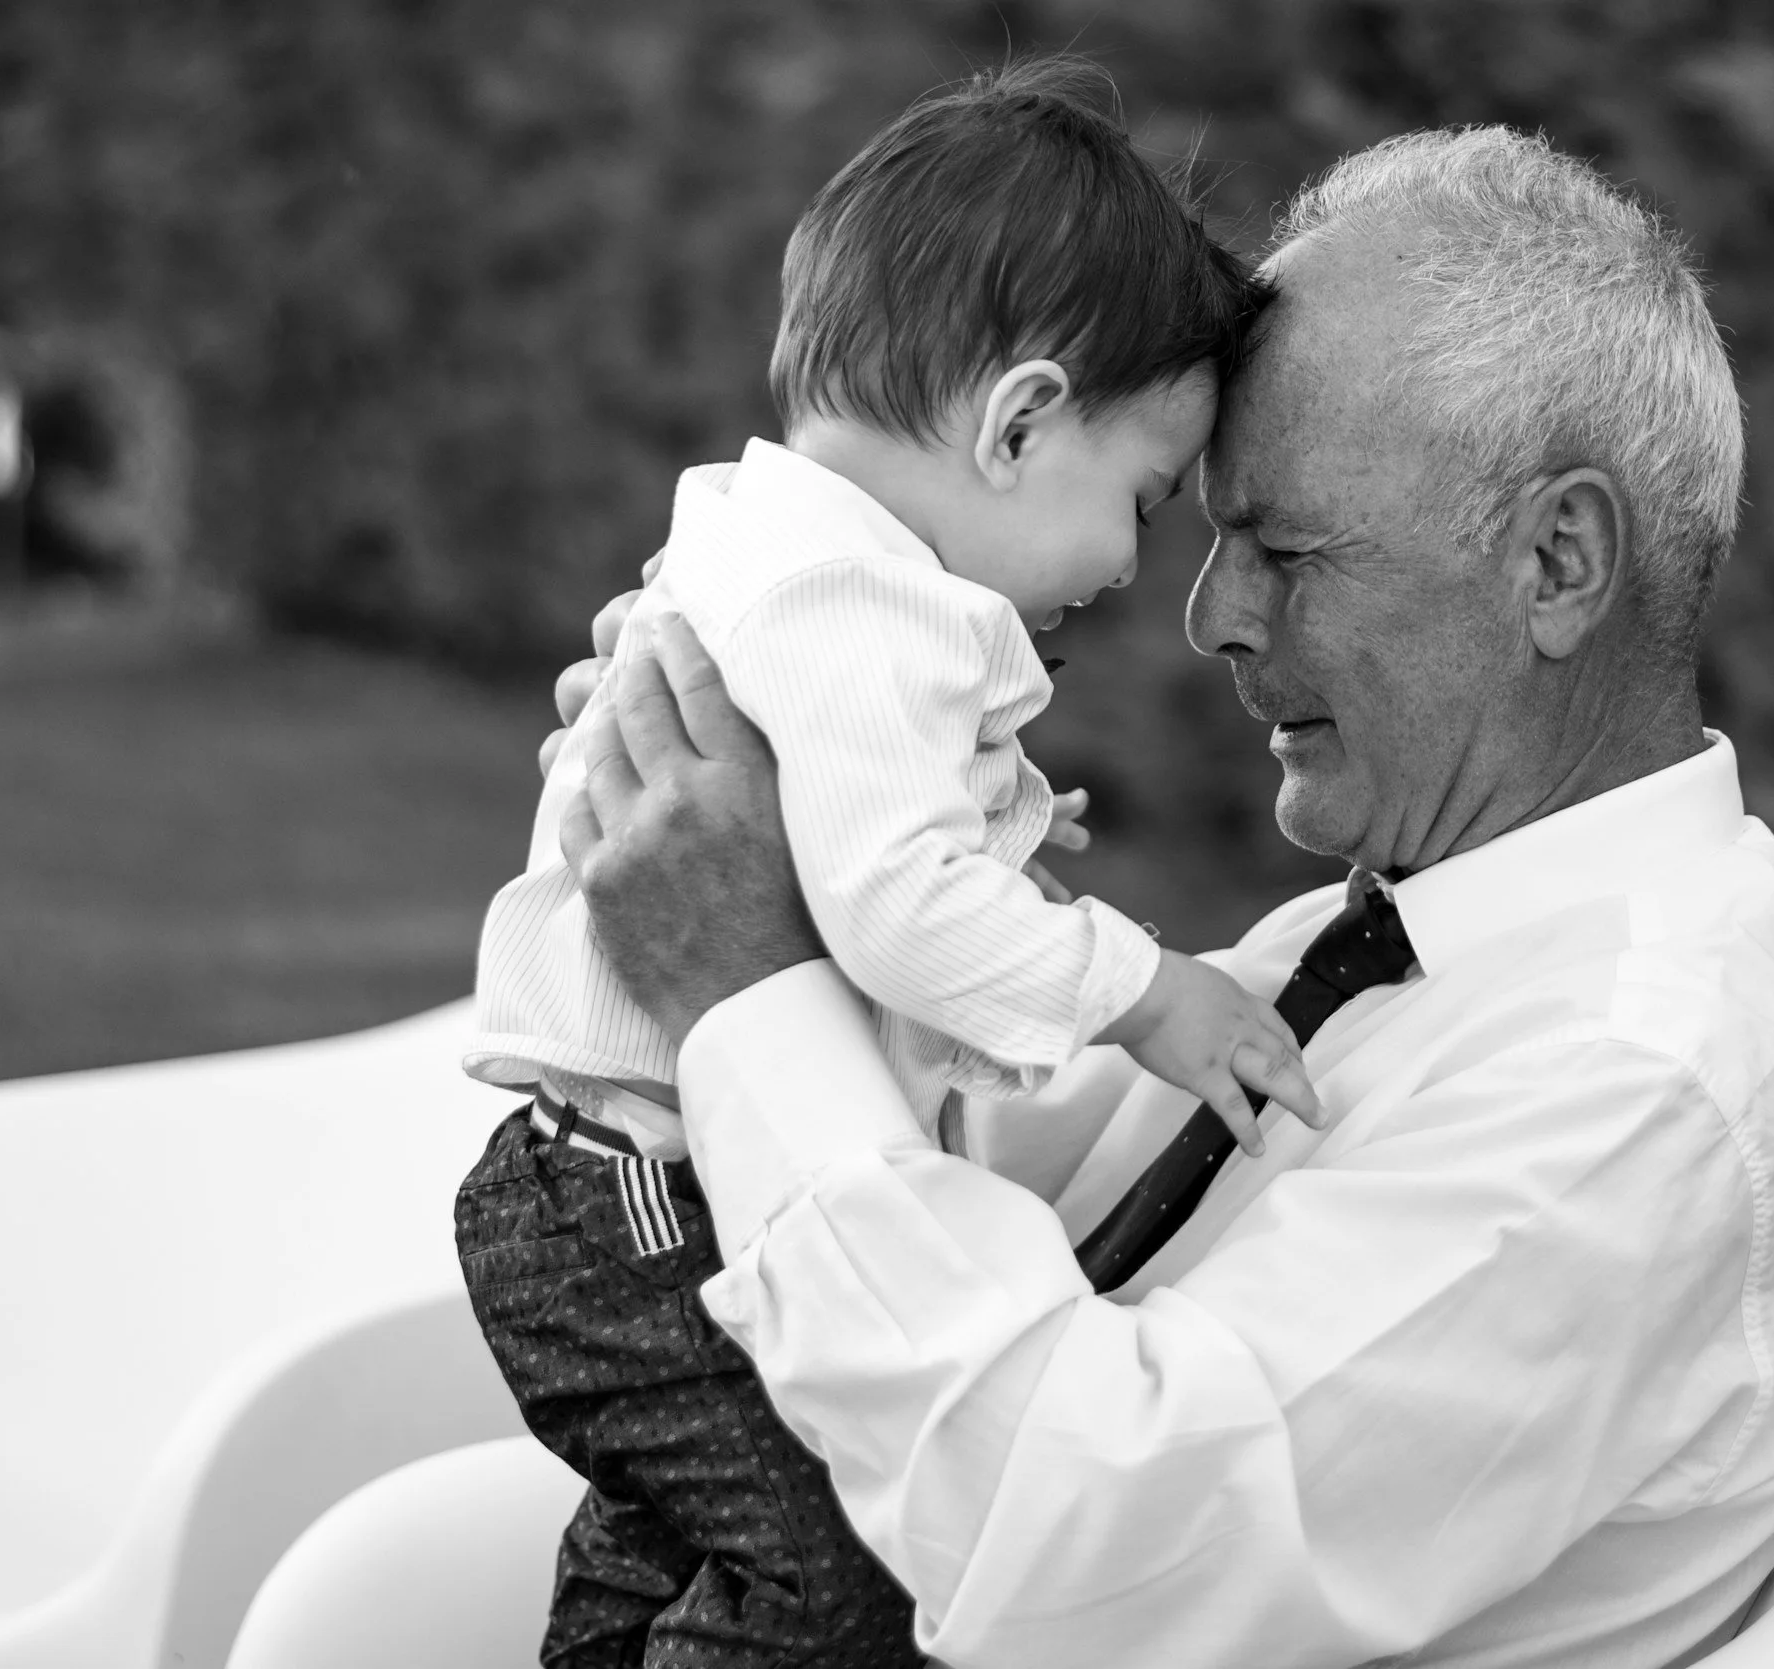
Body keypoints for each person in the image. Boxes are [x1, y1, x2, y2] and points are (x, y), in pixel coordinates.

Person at [548, 129, 1774, 1669]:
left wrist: (747, 992)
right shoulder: (1392, 940)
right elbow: (1002, 1161)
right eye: (1201, 532)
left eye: (1284, 547)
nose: (1208, 616)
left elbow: (1084, 1547)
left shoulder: (1637, 1088)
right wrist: (773, 807)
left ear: (1558, 560)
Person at [457, 61, 1320, 1669]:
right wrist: (1148, 991)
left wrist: (988, 824)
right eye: (1140, 500)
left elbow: (851, 839)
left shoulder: (773, 544)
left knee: (682, 1539)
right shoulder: (868, 612)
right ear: (1019, 422)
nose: (1140, 566)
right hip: (644, 1205)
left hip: (602, 1191)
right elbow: (893, 911)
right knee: (858, 1564)